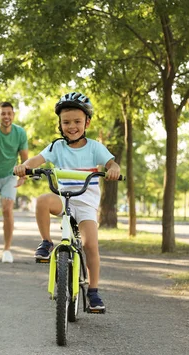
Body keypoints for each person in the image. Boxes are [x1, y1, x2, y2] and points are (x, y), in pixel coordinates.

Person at [13, 92, 120, 312]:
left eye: (77, 122)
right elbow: (36, 160)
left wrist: (114, 169)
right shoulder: (56, 147)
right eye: (66, 122)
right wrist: (24, 167)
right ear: (60, 125)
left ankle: (93, 292)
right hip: (64, 200)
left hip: (86, 205)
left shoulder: (94, 147)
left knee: (91, 245)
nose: (72, 126)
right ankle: (46, 242)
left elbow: (111, 163)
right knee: (42, 200)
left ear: (87, 122)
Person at [0, 102, 29, 263]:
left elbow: (24, 158)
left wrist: (23, 174)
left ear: (13, 115)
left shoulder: (20, 133)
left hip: (9, 175)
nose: (6, 116)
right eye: (3, 113)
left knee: (7, 209)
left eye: (9, 113)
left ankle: (7, 249)